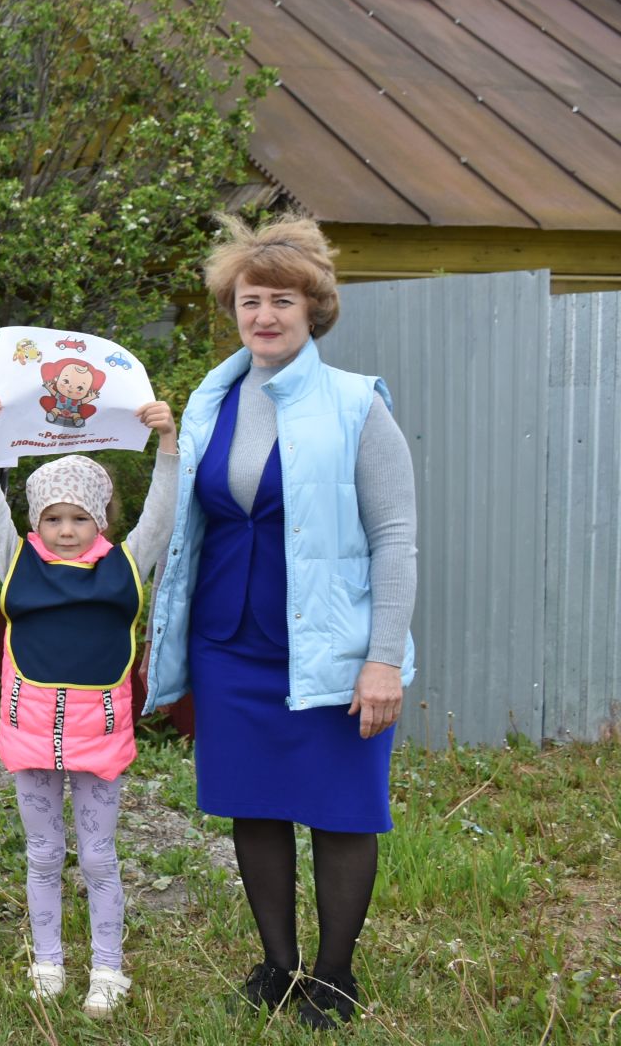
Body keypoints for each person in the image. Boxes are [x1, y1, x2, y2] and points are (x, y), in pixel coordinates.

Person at [145, 214, 417, 1031]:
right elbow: (185, 521)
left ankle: (332, 978)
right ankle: (277, 965)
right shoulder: (210, 399)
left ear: (314, 309)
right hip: (231, 647)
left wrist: (382, 660)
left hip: (331, 650)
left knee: (341, 810)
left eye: (281, 301)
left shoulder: (355, 404)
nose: (263, 316)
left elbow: (396, 537)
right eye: (249, 300)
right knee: (253, 804)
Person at [0, 394, 180, 1018]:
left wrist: (167, 447)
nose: (65, 530)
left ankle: (108, 968)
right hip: (31, 736)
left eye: (79, 518)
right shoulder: (16, 561)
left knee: (97, 857)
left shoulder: (125, 566)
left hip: (100, 740)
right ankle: (48, 961)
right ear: (36, 522)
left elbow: (162, 520)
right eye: (53, 518)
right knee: (40, 854)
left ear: (102, 521)